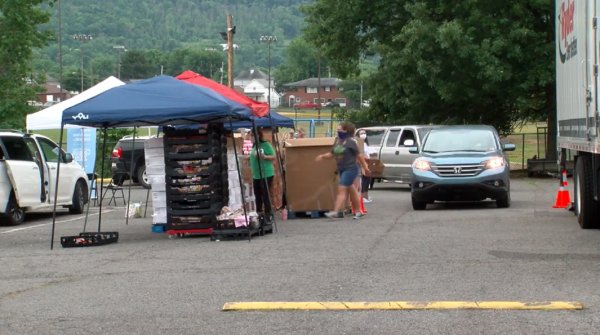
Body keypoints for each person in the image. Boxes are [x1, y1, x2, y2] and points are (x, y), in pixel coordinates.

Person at [315, 122, 371, 219]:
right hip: (341, 169)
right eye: (337, 130)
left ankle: (335, 211)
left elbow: (359, 155)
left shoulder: (351, 142)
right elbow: (332, 154)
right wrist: (322, 156)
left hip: (350, 169)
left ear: (346, 131)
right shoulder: (339, 142)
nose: (338, 132)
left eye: (340, 130)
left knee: (342, 189)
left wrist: (365, 167)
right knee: (352, 191)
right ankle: (358, 211)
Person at [244, 128, 277, 215]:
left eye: (252, 135)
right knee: (257, 195)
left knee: (265, 194)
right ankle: (258, 213)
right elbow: (253, 156)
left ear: (257, 135)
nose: (251, 137)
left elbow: (273, 156)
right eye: (250, 135)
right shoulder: (254, 145)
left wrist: (263, 156)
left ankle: (267, 214)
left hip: (266, 173)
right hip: (256, 174)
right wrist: (248, 158)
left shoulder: (265, 144)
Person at [357, 129, 374, 203]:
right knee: (363, 181)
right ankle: (362, 197)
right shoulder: (358, 143)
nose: (363, 134)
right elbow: (360, 154)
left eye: (364, 133)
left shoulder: (365, 143)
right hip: (362, 163)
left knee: (367, 180)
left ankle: (366, 197)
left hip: (367, 163)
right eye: (361, 133)